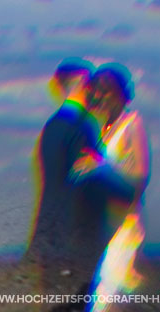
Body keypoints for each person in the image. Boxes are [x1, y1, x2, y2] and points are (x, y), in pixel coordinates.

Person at [70, 64, 150, 310]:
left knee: (103, 302)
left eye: (106, 91)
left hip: (123, 230)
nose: (99, 97)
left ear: (120, 94)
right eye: (96, 91)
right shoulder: (104, 130)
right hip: (104, 228)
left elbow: (139, 177)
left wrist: (99, 168)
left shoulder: (131, 125)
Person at [26, 58, 100, 285]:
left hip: (49, 230)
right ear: (82, 85)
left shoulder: (52, 126)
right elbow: (86, 177)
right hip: (73, 234)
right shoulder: (83, 125)